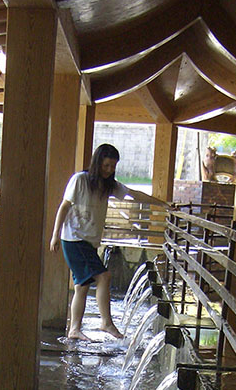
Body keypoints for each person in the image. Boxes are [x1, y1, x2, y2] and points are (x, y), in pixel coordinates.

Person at [50, 143, 169, 340]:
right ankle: (106, 323)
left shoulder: (108, 185)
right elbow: (64, 206)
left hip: (87, 242)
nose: (109, 170)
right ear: (98, 163)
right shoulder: (80, 180)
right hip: (74, 239)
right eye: (106, 166)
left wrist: (163, 204)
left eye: (113, 166)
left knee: (82, 286)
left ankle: (74, 329)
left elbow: (133, 194)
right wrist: (55, 234)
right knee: (104, 277)